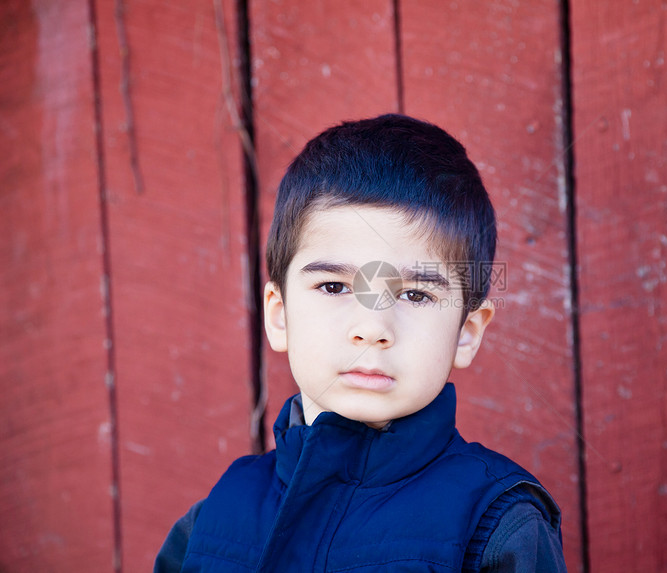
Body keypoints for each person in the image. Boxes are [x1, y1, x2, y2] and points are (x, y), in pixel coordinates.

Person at [154, 115, 566, 572]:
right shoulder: (213, 521)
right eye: (334, 287)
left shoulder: (496, 526)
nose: (372, 329)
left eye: (415, 294)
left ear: (466, 333)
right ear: (279, 314)